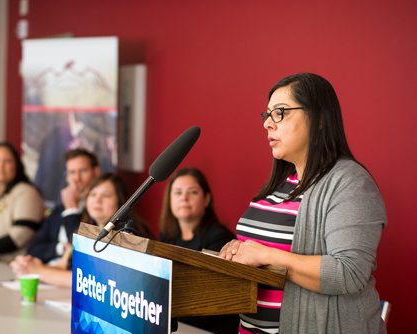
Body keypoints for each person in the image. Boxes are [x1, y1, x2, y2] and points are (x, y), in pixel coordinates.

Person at [219, 73, 387, 334]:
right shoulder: (282, 183)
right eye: (267, 115)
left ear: (319, 119)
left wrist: (265, 254)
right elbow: (262, 248)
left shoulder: (351, 182)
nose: (267, 125)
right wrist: (239, 250)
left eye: (280, 113)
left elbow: (349, 273)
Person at [10, 173, 152, 287]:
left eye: (106, 195)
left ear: (122, 202)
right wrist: (28, 265)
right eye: (93, 194)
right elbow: (63, 266)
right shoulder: (87, 228)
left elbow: (96, 281)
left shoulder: (129, 232)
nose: (97, 200)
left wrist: (39, 271)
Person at [158, 167, 239, 334]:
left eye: (192, 192)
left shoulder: (219, 238)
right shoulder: (166, 237)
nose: (184, 198)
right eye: (178, 192)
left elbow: (211, 298)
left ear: (206, 199)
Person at [26, 148, 100, 264]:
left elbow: (82, 249)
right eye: (72, 172)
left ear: (96, 172)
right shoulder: (59, 209)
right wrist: (61, 248)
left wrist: (71, 209)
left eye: (83, 171)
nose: (77, 178)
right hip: (48, 273)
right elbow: (33, 249)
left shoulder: (99, 209)